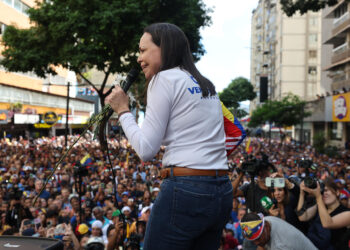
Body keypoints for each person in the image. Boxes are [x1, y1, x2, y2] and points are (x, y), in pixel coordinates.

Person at [106, 23, 234, 250]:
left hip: (186, 190)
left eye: (143, 50)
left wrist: (123, 110)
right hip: (221, 190)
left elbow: (146, 149)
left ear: (163, 48)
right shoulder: (206, 84)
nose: (138, 58)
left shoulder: (163, 79)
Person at [297, 177, 350, 250]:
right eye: (322, 191)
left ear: (337, 192)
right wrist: (302, 193)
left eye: (326, 190)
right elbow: (302, 217)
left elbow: (327, 224)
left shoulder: (347, 213)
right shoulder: (319, 207)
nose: (323, 194)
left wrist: (318, 196)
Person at [240, 212, 317, 250]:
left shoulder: (281, 245)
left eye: (258, 238)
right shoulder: (266, 220)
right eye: (253, 240)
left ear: (266, 226)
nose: (256, 242)